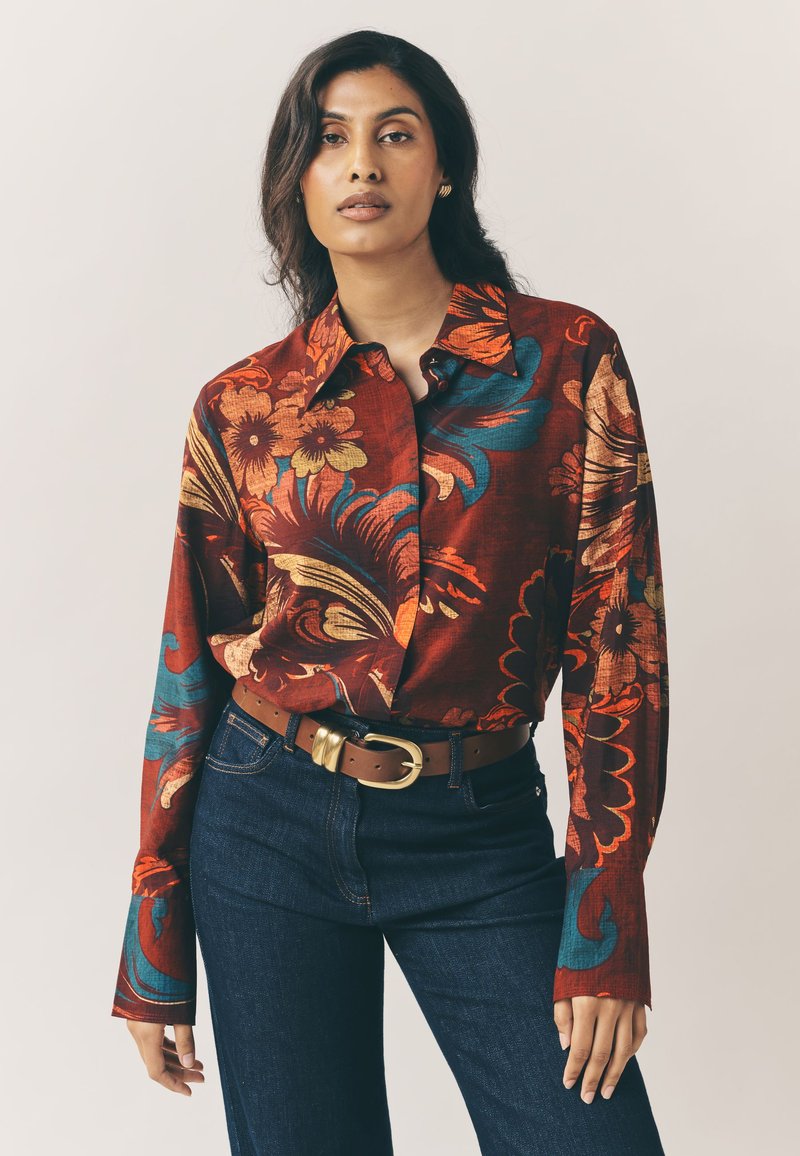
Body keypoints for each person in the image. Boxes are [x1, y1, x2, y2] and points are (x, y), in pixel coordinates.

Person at [111, 28, 669, 1156]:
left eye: (393, 134)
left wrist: (604, 914)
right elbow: (188, 663)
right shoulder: (242, 407)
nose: (361, 163)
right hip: (261, 814)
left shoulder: (562, 363)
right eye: (329, 141)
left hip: (477, 831)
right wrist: (151, 927)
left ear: (443, 167)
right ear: (301, 183)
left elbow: (617, 647)